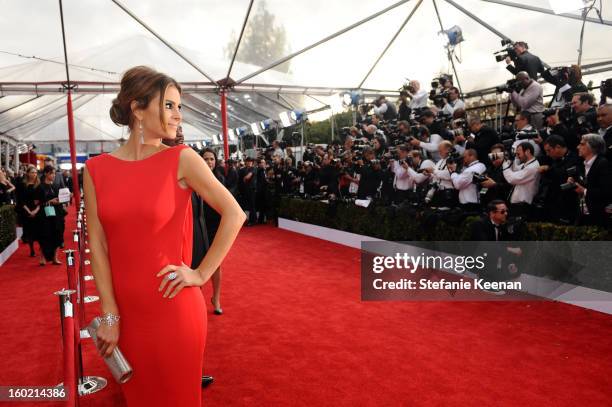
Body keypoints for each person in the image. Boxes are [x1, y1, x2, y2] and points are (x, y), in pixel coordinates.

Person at [84, 66, 245, 406]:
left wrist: (200, 273)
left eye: (179, 107)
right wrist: (110, 315)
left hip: (174, 311)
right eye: (169, 105)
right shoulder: (96, 170)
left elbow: (234, 214)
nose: (177, 116)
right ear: (137, 108)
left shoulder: (182, 159)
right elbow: (97, 245)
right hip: (126, 319)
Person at [569, 133, 611, 226]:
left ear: (593, 147)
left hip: (598, 218)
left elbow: (606, 192)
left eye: (582, 144)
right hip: (583, 215)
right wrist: (574, 182)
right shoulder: (582, 164)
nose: (578, 147)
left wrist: (584, 191)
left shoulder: (603, 164)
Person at [36, 165, 65, 266]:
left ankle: (55, 258)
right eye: (51, 173)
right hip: (45, 214)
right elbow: (37, 203)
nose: (53, 175)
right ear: (46, 174)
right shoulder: (40, 187)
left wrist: (64, 198)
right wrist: (49, 202)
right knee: (45, 235)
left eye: (54, 173)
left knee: (57, 234)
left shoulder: (56, 186)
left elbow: (60, 198)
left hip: (57, 213)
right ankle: (43, 257)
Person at [503, 142, 541, 219]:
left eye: (518, 154)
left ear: (527, 151)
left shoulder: (532, 167)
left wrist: (504, 165)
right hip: (518, 204)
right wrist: (510, 160)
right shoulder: (527, 164)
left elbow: (512, 179)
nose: (517, 156)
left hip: (522, 205)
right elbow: (515, 169)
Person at [449, 149, 486, 213]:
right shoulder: (478, 166)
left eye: (464, 157)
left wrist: (453, 172)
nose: (463, 159)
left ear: (472, 156)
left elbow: (458, 185)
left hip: (471, 204)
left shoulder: (473, 168)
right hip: (470, 203)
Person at [18, 165, 41, 258]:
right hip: (26, 210)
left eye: (35, 172)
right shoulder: (22, 184)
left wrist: (36, 210)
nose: (34, 174)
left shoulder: (39, 184)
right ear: (27, 173)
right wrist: (29, 211)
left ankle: (41, 249)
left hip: (38, 210)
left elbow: (41, 199)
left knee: (39, 231)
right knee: (29, 231)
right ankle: (32, 250)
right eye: (32, 172)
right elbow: (20, 200)